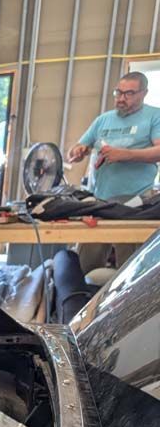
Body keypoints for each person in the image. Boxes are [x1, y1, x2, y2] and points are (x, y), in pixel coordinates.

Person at [67, 71, 160, 275]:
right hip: (101, 200)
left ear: (143, 93)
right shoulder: (103, 120)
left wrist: (126, 154)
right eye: (118, 92)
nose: (121, 98)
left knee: (130, 267)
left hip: (134, 202)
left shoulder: (154, 116)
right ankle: (82, 297)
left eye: (129, 93)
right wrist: (78, 151)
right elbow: (79, 146)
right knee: (86, 260)